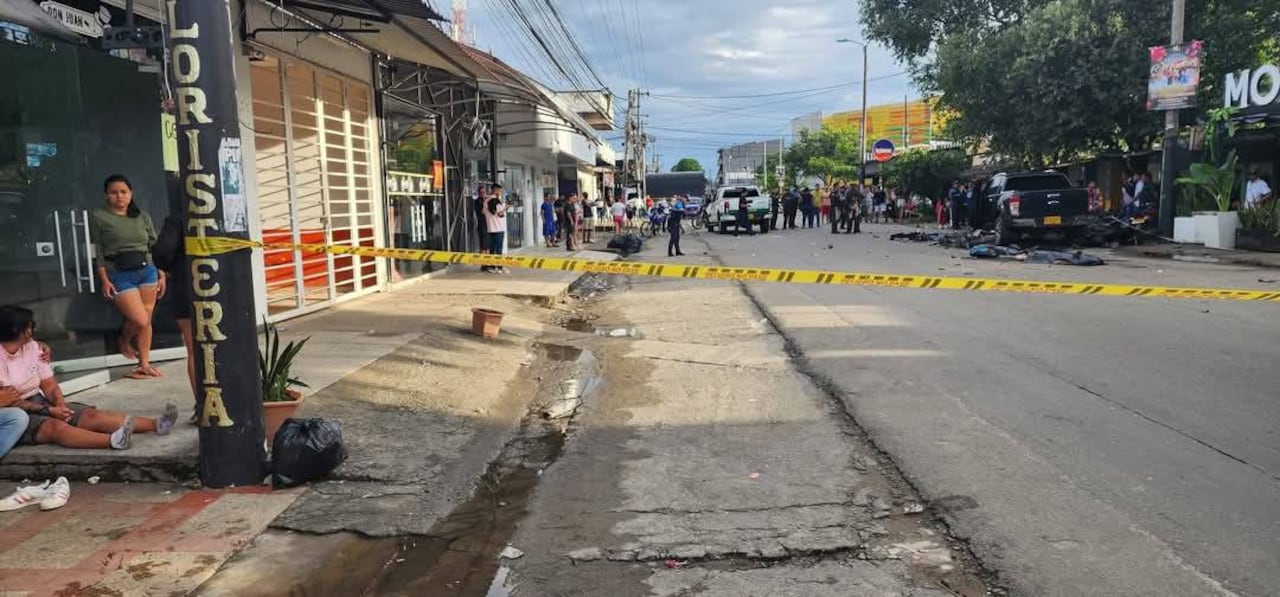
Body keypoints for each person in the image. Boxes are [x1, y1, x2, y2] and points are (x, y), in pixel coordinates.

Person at [0, 305, 177, 455]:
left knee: (90, 416)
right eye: (30, 326)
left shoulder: (33, 348)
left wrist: (59, 403)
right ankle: (112, 441)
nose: (33, 330)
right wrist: (49, 410)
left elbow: (49, 384)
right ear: (17, 329)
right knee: (55, 428)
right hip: (14, 413)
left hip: (38, 401)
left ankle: (156, 424)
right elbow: (11, 400)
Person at [90, 175, 164, 381]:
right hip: (120, 273)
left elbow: (153, 246)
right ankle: (123, 339)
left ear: (131, 194)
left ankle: (144, 364)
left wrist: (161, 272)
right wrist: (104, 278)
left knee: (146, 318)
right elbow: (98, 251)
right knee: (140, 319)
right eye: (114, 192)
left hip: (147, 270)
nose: (119, 196)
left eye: (123, 192)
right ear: (106, 195)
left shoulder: (142, 216)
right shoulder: (99, 216)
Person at [483, 184, 508, 273]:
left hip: (490, 228)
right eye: (500, 190)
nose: (500, 192)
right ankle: (500, 267)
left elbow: (484, 212)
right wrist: (506, 208)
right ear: (496, 190)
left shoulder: (486, 201)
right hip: (499, 228)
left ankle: (492, 267)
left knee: (492, 248)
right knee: (499, 249)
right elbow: (500, 214)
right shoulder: (497, 201)